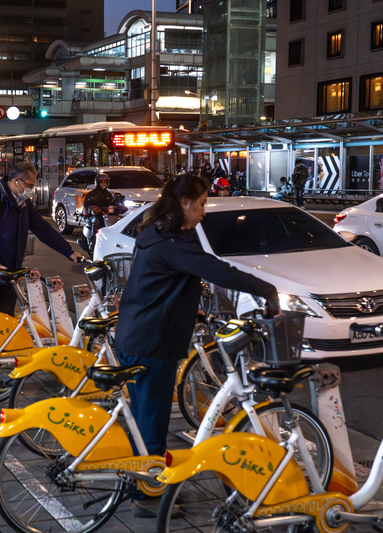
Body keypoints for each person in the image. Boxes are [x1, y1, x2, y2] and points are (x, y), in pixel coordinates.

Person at [114, 174, 280, 517]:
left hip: (137, 332)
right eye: (202, 203)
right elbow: (216, 270)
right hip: (152, 340)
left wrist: (195, 310)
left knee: (143, 418)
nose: (204, 210)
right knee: (153, 422)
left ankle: (141, 484)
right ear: (185, 203)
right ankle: (146, 497)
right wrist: (266, 290)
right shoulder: (172, 240)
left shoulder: (157, 230)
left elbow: (163, 282)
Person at [0, 162, 83, 396]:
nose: (31, 189)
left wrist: (69, 252)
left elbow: (43, 229)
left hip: (9, 277)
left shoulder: (23, 204)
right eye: (29, 184)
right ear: (16, 181)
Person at [83, 173, 114, 240]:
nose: (104, 185)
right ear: (97, 183)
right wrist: (93, 209)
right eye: (102, 183)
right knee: (97, 221)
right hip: (95, 215)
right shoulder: (92, 194)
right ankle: (92, 240)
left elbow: (111, 203)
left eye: (105, 183)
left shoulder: (108, 194)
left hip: (106, 215)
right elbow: (87, 205)